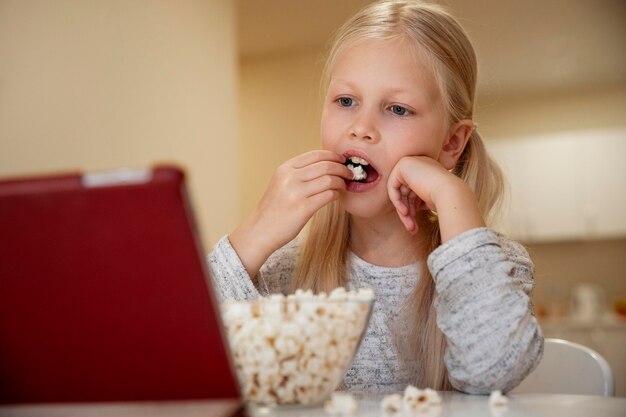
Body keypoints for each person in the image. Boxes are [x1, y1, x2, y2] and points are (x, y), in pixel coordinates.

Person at [209, 0, 543, 395]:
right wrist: (254, 233)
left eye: (397, 109)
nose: (361, 128)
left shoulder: (494, 267)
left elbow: (492, 372)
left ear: (452, 142)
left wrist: (453, 195)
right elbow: (181, 355)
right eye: (345, 101)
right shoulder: (287, 273)